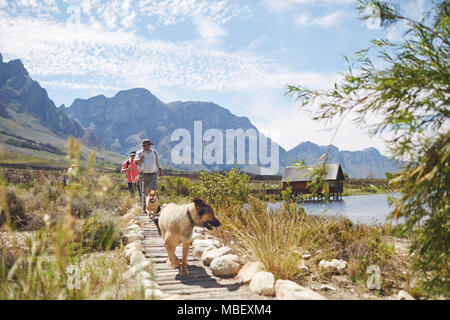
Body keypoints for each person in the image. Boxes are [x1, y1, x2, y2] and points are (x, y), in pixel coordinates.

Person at [135, 139, 162, 213]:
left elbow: (158, 162)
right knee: (143, 192)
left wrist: (160, 171)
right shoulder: (139, 153)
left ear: (149, 145)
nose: (145, 147)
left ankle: (156, 208)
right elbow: (136, 162)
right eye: (144, 145)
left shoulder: (154, 152)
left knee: (154, 191)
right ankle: (144, 208)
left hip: (153, 174)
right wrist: (140, 159)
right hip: (143, 174)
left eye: (147, 145)